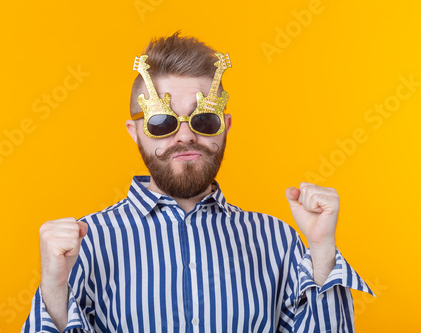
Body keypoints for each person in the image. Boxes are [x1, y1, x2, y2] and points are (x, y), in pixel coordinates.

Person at [22, 32, 374, 333]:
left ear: (225, 126)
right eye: (162, 122)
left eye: (204, 119)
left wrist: (323, 249)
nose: (185, 136)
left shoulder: (277, 241)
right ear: (136, 133)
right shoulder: (86, 243)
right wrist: (54, 288)